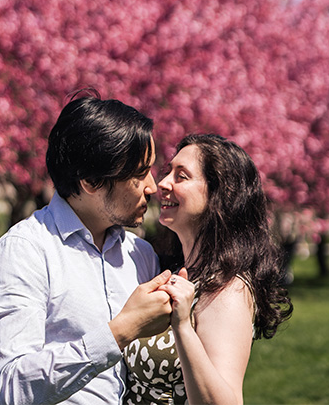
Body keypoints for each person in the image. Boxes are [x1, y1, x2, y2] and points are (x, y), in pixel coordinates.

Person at [0, 92, 173, 405]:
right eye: (139, 175)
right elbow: (12, 386)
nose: (153, 186)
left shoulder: (140, 254)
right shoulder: (25, 251)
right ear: (91, 182)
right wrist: (121, 330)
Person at [124, 134, 292, 404]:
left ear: (219, 194)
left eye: (181, 176)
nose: (162, 184)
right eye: (168, 172)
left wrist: (182, 327)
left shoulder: (227, 289)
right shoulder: (178, 270)